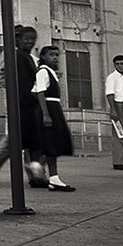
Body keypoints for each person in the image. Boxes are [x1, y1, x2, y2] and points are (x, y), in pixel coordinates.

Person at [0, 26, 41, 186]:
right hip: (18, 101)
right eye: (24, 38)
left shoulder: (28, 56)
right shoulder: (11, 53)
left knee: (20, 136)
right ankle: (33, 173)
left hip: (28, 101)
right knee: (18, 136)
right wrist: (15, 88)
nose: (29, 42)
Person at [30, 45, 77, 191]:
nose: (55, 58)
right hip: (49, 108)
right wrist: (45, 114)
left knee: (54, 144)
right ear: (43, 57)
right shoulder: (43, 72)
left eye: (57, 55)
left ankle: (51, 176)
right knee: (51, 143)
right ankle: (37, 170)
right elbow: (39, 93)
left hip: (54, 107)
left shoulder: (51, 72)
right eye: (51, 55)